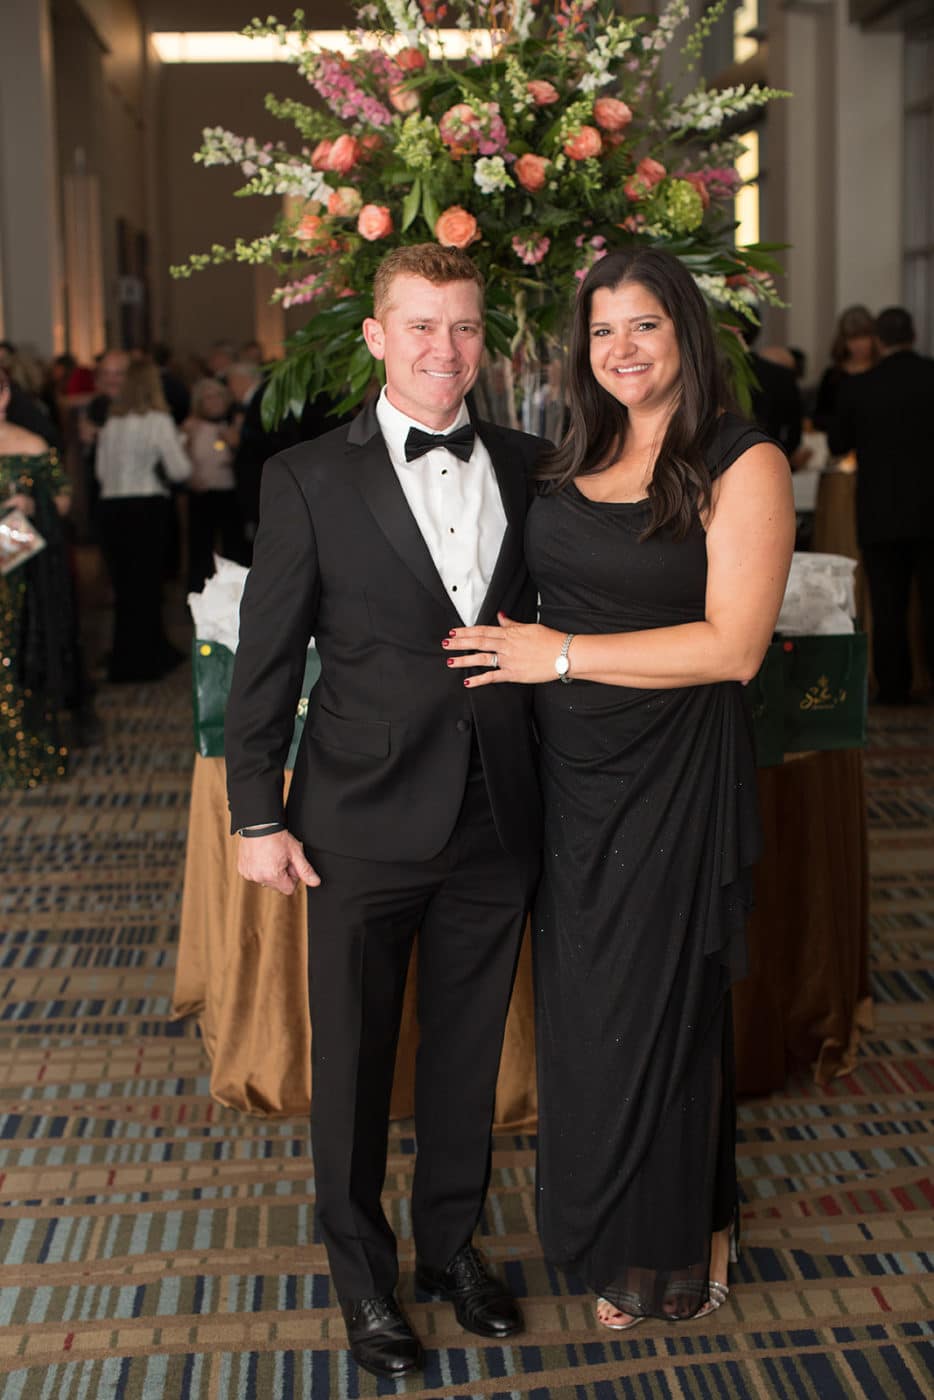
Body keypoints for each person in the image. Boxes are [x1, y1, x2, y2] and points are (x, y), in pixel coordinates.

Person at [444, 248, 795, 1330]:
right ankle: (618, 1222)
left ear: (686, 332)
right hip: (571, 776)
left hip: (670, 770)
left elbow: (733, 647)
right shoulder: (576, 449)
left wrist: (556, 656)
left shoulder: (741, 460)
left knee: (663, 1009)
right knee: (588, 1009)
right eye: (602, 331)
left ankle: (677, 1243)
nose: (621, 349)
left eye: (643, 325)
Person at [224, 244, 546, 1378]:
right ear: (375, 336)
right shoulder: (308, 475)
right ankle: (363, 1278)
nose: (442, 349)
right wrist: (256, 814)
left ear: (483, 337)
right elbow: (266, 660)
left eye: (462, 326)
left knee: (468, 1051)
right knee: (355, 1064)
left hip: (497, 813)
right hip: (356, 820)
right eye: (419, 325)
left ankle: (449, 1249)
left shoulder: (532, 464)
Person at [829, 306, 934, 705]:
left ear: (878, 340)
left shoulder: (861, 387)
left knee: (888, 605)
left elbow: (838, 443)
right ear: (915, 335)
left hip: (880, 510)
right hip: (931, 509)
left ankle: (893, 689)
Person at [94, 360, 191, 682]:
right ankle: (146, 660)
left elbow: (101, 473)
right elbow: (180, 469)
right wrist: (182, 445)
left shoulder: (112, 422)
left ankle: (127, 657)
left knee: (125, 588)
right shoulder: (158, 421)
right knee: (147, 585)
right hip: (146, 507)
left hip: (111, 508)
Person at [0, 366, 72, 788]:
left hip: (17, 571)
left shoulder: (32, 444)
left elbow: (62, 500)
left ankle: (22, 747)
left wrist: (33, 503)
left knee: (16, 651)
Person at [183, 377, 244, 592]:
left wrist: (235, 444)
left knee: (233, 548)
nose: (214, 401)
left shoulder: (235, 424)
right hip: (202, 494)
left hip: (231, 493)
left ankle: (235, 596)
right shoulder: (191, 427)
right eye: (208, 397)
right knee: (200, 549)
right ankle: (200, 595)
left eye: (218, 396)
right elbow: (180, 460)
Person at [813, 304, 877, 435]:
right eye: (852, 338)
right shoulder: (833, 375)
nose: (858, 344)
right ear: (843, 341)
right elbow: (819, 417)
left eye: (864, 337)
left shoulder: (882, 373)